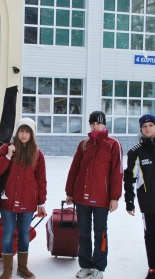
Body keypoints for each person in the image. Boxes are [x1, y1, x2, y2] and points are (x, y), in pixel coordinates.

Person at [65, 111, 123, 279]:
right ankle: (85, 266)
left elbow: (117, 173)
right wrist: (70, 192)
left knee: (100, 233)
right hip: (82, 197)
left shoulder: (113, 145)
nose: (95, 126)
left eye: (98, 123)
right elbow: (74, 169)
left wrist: (114, 197)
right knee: (83, 233)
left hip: (102, 199)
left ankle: (99, 267)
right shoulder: (84, 144)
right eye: (92, 124)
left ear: (104, 125)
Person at [0, 117, 47, 279]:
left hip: (28, 202)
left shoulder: (37, 154)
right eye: (21, 130)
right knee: (7, 234)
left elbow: (41, 180)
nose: (23, 134)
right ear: (17, 132)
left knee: (23, 234)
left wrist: (41, 202)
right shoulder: (7, 148)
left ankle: (22, 267)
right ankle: (7, 270)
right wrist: (7, 156)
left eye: (27, 131)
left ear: (32, 134)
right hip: (7, 200)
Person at [124, 114, 155, 279]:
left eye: (151, 125)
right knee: (151, 235)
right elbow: (129, 178)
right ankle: (153, 268)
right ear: (141, 129)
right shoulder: (136, 152)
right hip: (149, 202)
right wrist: (130, 202)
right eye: (144, 126)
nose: (148, 128)